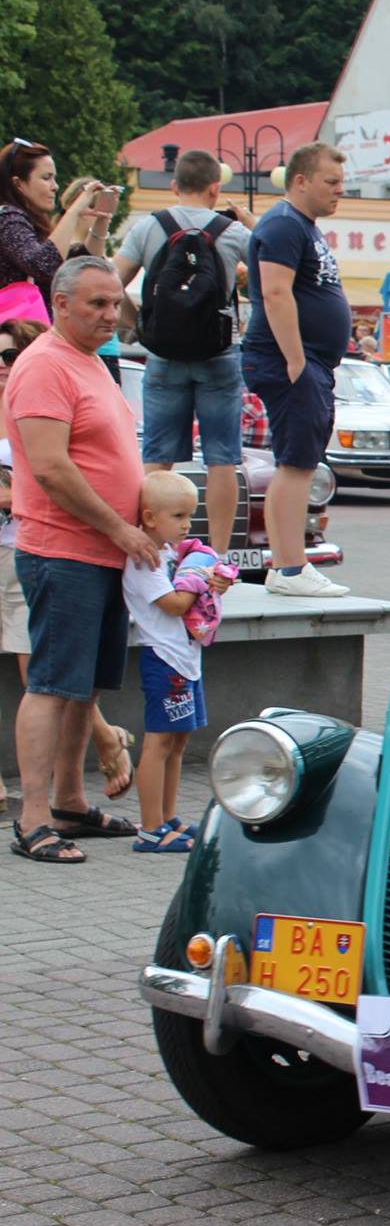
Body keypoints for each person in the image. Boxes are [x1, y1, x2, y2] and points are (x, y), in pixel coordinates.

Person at [4, 257, 164, 862]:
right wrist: (119, 528)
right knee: (50, 684)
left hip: (103, 552)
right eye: (96, 303)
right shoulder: (45, 364)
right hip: (63, 550)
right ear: (61, 304)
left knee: (82, 689)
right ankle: (33, 820)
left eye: (115, 303)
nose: (110, 314)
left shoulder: (89, 360)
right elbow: (50, 467)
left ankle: (70, 802)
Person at [113, 149, 254, 558]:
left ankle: (147, 549)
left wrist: (138, 324)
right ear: (215, 188)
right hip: (219, 354)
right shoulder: (232, 232)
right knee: (222, 460)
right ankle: (219, 557)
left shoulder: (149, 227)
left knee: (156, 459)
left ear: (175, 186)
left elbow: (111, 281)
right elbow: (277, 268)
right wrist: (250, 223)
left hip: (164, 354)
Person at [242, 142, 352, 597]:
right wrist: (295, 360)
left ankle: (286, 567)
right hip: (291, 359)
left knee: (298, 462)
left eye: (342, 182)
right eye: (331, 181)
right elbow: (275, 292)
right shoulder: (286, 224)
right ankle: (290, 569)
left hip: (308, 360)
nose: (339, 190)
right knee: (296, 463)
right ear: (301, 181)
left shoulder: (295, 225)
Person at [122, 471, 232, 852]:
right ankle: (150, 828)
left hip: (185, 658)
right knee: (159, 741)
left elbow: (196, 586)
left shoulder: (171, 553)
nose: (187, 525)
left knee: (179, 741)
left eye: (190, 516)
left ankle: (168, 817)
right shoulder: (144, 561)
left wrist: (215, 581)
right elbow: (174, 604)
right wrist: (202, 581)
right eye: (178, 516)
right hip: (163, 658)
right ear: (150, 518)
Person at [0, 141, 112, 319]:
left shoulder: (30, 222)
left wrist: (102, 218)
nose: (55, 186)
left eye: (54, 178)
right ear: (18, 184)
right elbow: (43, 266)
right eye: (46, 178)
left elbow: (82, 266)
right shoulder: (8, 218)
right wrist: (74, 211)